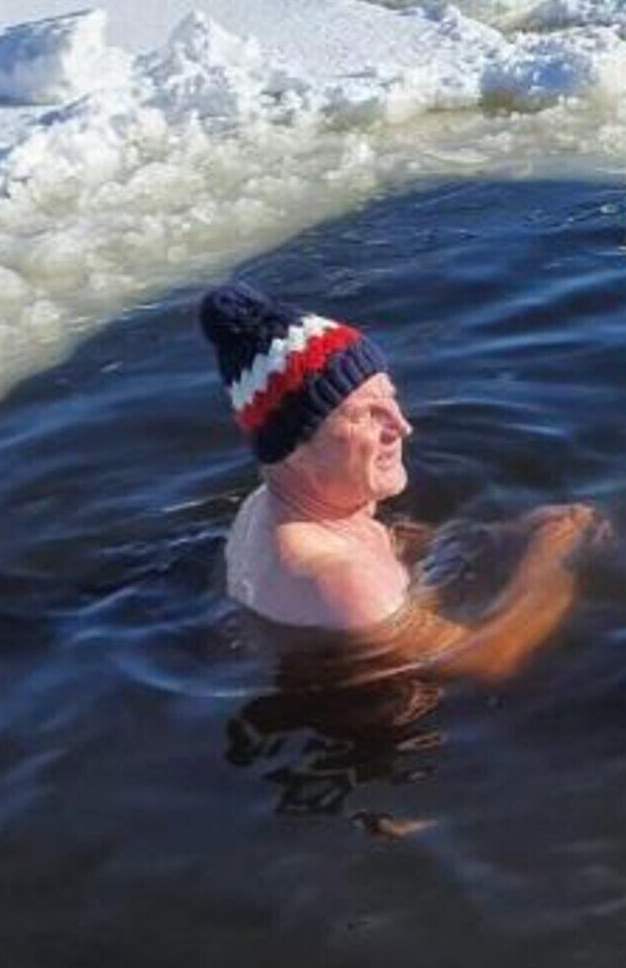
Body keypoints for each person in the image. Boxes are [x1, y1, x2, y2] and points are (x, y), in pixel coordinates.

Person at [199, 282, 599, 676]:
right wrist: (553, 556)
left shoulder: (272, 505)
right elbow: (493, 655)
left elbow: (386, 545)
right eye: (365, 415)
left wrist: (507, 534)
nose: (401, 426)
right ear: (294, 448)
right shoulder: (339, 581)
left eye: (389, 399)